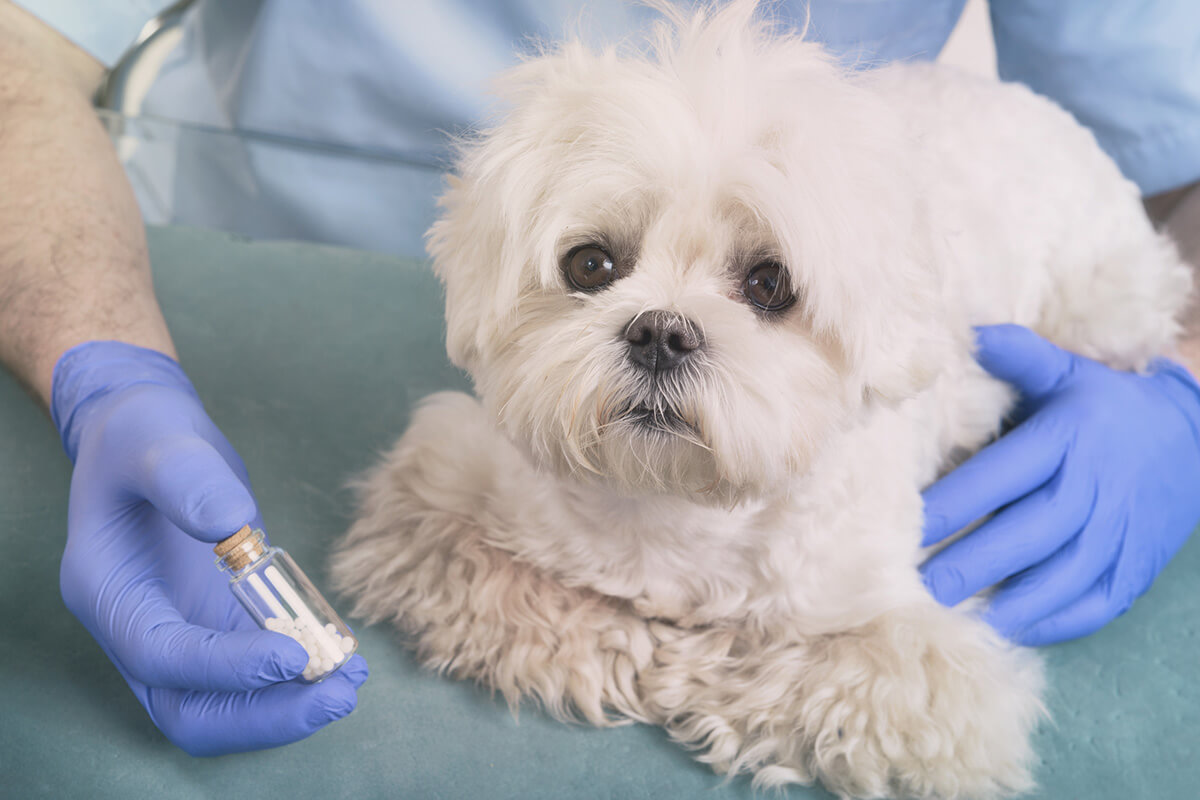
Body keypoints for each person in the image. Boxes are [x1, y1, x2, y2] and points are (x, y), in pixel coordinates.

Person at [1, 0, 1197, 757]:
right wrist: (101, 363)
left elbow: (1182, 156)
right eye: (596, 263)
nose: (665, 326)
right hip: (242, 245)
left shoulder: (886, 260)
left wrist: (1186, 382)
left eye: (764, 286)